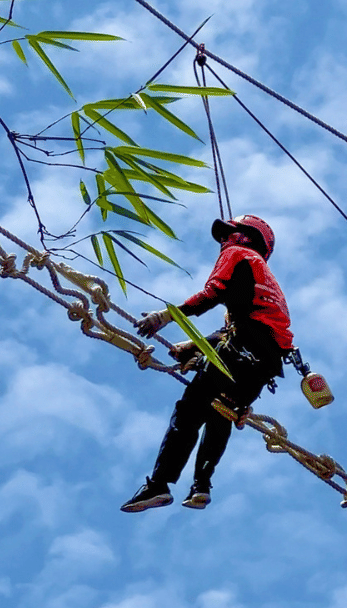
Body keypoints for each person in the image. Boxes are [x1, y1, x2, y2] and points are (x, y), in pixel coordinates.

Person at [121, 215, 294, 512]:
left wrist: (164, 316)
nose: (224, 241)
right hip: (264, 363)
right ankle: (202, 485)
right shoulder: (266, 281)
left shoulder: (237, 254)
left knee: (188, 412)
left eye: (231, 234)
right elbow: (245, 328)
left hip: (243, 349)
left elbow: (212, 294)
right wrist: (195, 347)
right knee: (221, 409)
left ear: (246, 238)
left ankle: (159, 485)